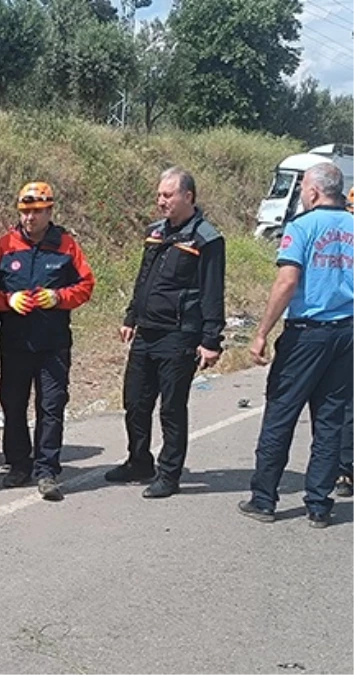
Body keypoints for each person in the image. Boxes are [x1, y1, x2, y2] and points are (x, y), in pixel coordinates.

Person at [239, 162, 354, 528]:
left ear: (315, 191)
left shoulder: (302, 227)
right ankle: (319, 505)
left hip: (307, 333)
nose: (303, 193)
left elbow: (287, 282)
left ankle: (264, 498)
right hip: (347, 333)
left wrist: (261, 331)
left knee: (281, 414)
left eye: (304, 186)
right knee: (330, 419)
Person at [106, 167, 226, 498]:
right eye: (159, 194)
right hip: (147, 332)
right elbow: (143, 278)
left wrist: (211, 340)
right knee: (135, 402)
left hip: (180, 335)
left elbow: (213, 292)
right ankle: (139, 461)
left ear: (188, 196)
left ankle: (169, 473)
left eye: (168, 195)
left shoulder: (206, 239)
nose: (161, 201)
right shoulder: (155, 232)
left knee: (171, 408)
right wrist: (131, 316)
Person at [0, 182, 95, 501]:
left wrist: (59, 297)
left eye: (37, 212)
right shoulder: (4, 246)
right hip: (15, 343)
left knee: (51, 406)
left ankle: (47, 469)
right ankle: (19, 464)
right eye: (25, 211)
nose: (30, 218)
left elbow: (86, 285)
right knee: (13, 404)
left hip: (53, 345)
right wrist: (7, 300)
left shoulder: (66, 246)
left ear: (50, 211)